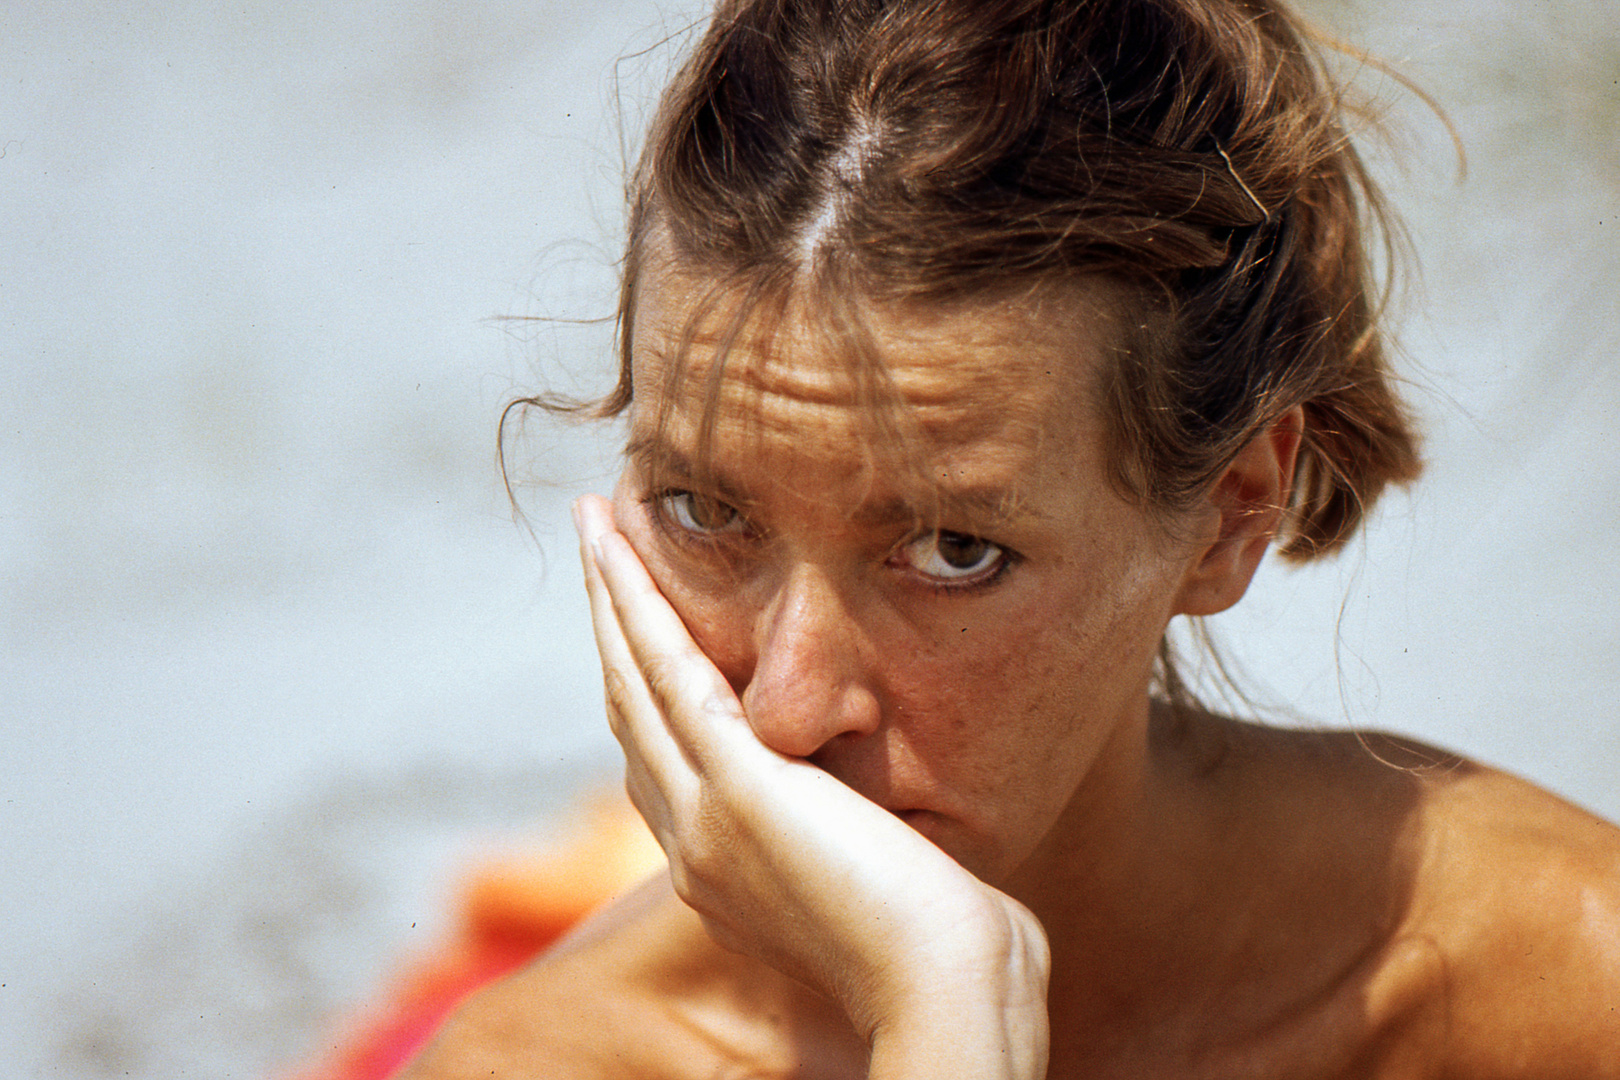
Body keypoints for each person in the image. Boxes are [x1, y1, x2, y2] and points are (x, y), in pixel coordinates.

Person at [403, 0, 1620, 1075]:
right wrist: (947, 1004)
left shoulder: (1564, 990)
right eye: (705, 513)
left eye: (950, 550)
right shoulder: (543, 1062)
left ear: (1233, 513)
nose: (783, 711)